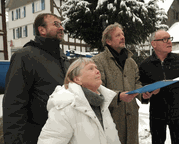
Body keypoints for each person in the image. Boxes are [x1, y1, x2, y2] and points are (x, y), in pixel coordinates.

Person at [3, 13, 70, 144]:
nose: (61, 28)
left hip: (63, 136)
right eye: (56, 24)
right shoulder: (25, 56)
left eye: (61, 24)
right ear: (42, 30)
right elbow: (13, 104)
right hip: (36, 137)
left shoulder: (63, 58)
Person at [92, 22, 158, 144]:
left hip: (131, 117)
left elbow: (136, 82)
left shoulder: (131, 62)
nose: (123, 37)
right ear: (108, 41)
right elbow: (97, 89)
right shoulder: (97, 61)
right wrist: (118, 97)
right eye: (118, 35)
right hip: (111, 118)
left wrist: (142, 93)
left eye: (122, 34)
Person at [139, 30, 179, 144]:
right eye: (164, 39)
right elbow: (141, 88)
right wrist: (146, 94)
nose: (169, 42)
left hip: (178, 113)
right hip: (157, 114)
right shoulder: (145, 65)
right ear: (154, 44)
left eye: (169, 38)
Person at [37, 58, 121, 144]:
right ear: (77, 79)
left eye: (96, 68)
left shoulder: (101, 103)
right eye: (90, 68)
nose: (97, 71)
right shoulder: (66, 107)